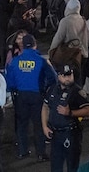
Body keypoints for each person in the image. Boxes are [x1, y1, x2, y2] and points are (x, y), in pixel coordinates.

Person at [6, 31, 56, 161]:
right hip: (37, 95)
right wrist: (46, 91)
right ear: (35, 45)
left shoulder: (15, 61)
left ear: (23, 45)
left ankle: (22, 151)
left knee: (22, 124)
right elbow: (53, 79)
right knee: (38, 124)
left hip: (20, 96)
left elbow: (10, 80)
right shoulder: (41, 61)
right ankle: (40, 153)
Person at [42, 65, 89, 172]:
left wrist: (70, 112)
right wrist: (44, 126)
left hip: (71, 134)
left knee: (72, 166)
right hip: (55, 134)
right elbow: (45, 106)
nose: (68, 78)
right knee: (55, 167)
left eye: (69, 75)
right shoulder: (52, 89)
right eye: (64, 76)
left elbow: (88, 110)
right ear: (59, 76)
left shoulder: (77, 91)